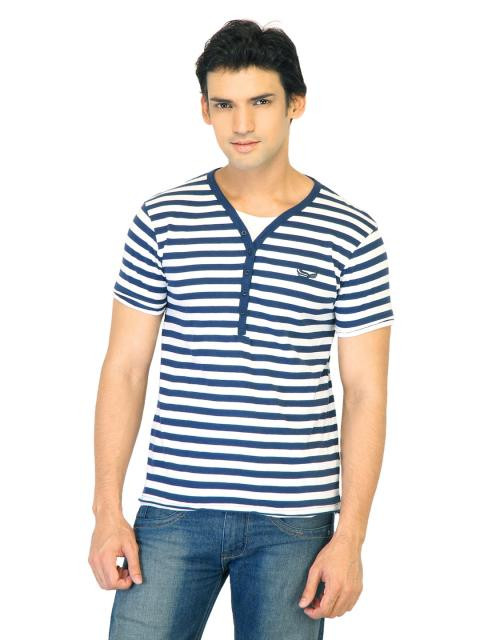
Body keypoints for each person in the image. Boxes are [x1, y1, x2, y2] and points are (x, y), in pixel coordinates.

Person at [89, 18, 395, 640]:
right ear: (205, 109)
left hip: (295, 523)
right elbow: (124, 369)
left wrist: (351, 538)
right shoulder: (162, 219)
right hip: (174, 511)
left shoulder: (352, 234)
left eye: (261, 102)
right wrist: (106, 512)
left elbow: (365, 392)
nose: (242, 124)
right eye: (224, 105)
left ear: (295, 104)